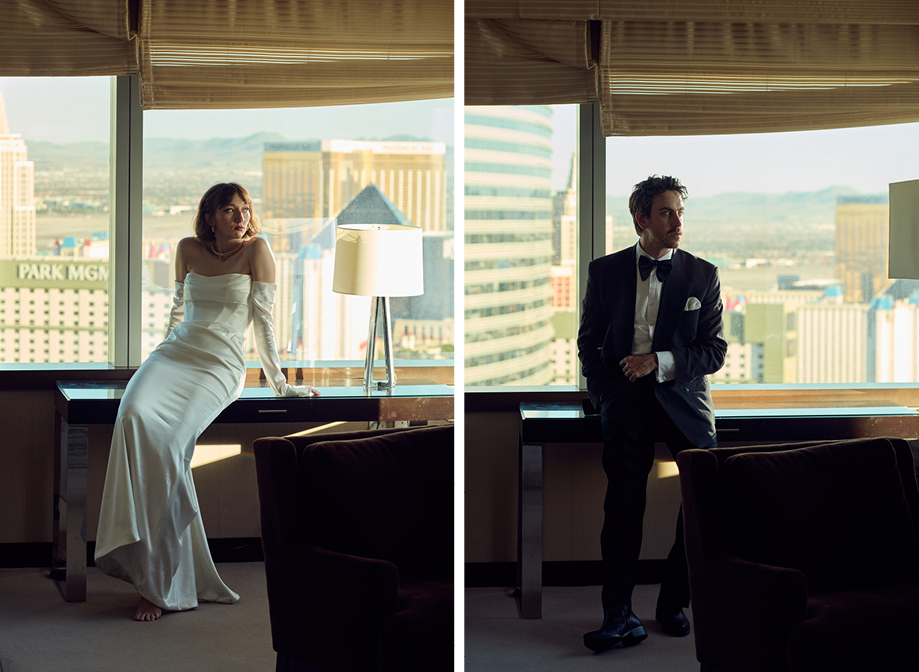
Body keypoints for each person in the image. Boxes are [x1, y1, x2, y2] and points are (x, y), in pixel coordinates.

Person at [94, 182, 318, 622]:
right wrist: (154, 366)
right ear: (210, 216)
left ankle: (158, 583)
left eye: (245, 209)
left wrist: (281, 384)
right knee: (133, 415)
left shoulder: (259, 251)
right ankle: (153, 565)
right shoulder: (187, 249)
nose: (241, 217)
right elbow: (178, 312)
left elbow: (264, 327)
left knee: (169, 447)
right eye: (230, 210)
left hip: (220, 365)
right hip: (173, 356)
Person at [577, 175, 726, 652]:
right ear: (641, 218)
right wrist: (605, 393)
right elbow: (588, 341)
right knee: (622, 505)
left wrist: (656, 363)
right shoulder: (605, 271)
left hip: (683, 400)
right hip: (625, 402)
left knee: (705, 502)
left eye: (681, 211)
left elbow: (714, 351)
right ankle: (618, 614)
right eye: (666, 212)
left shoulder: (703, 275)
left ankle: (672, 600)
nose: (678, 221)